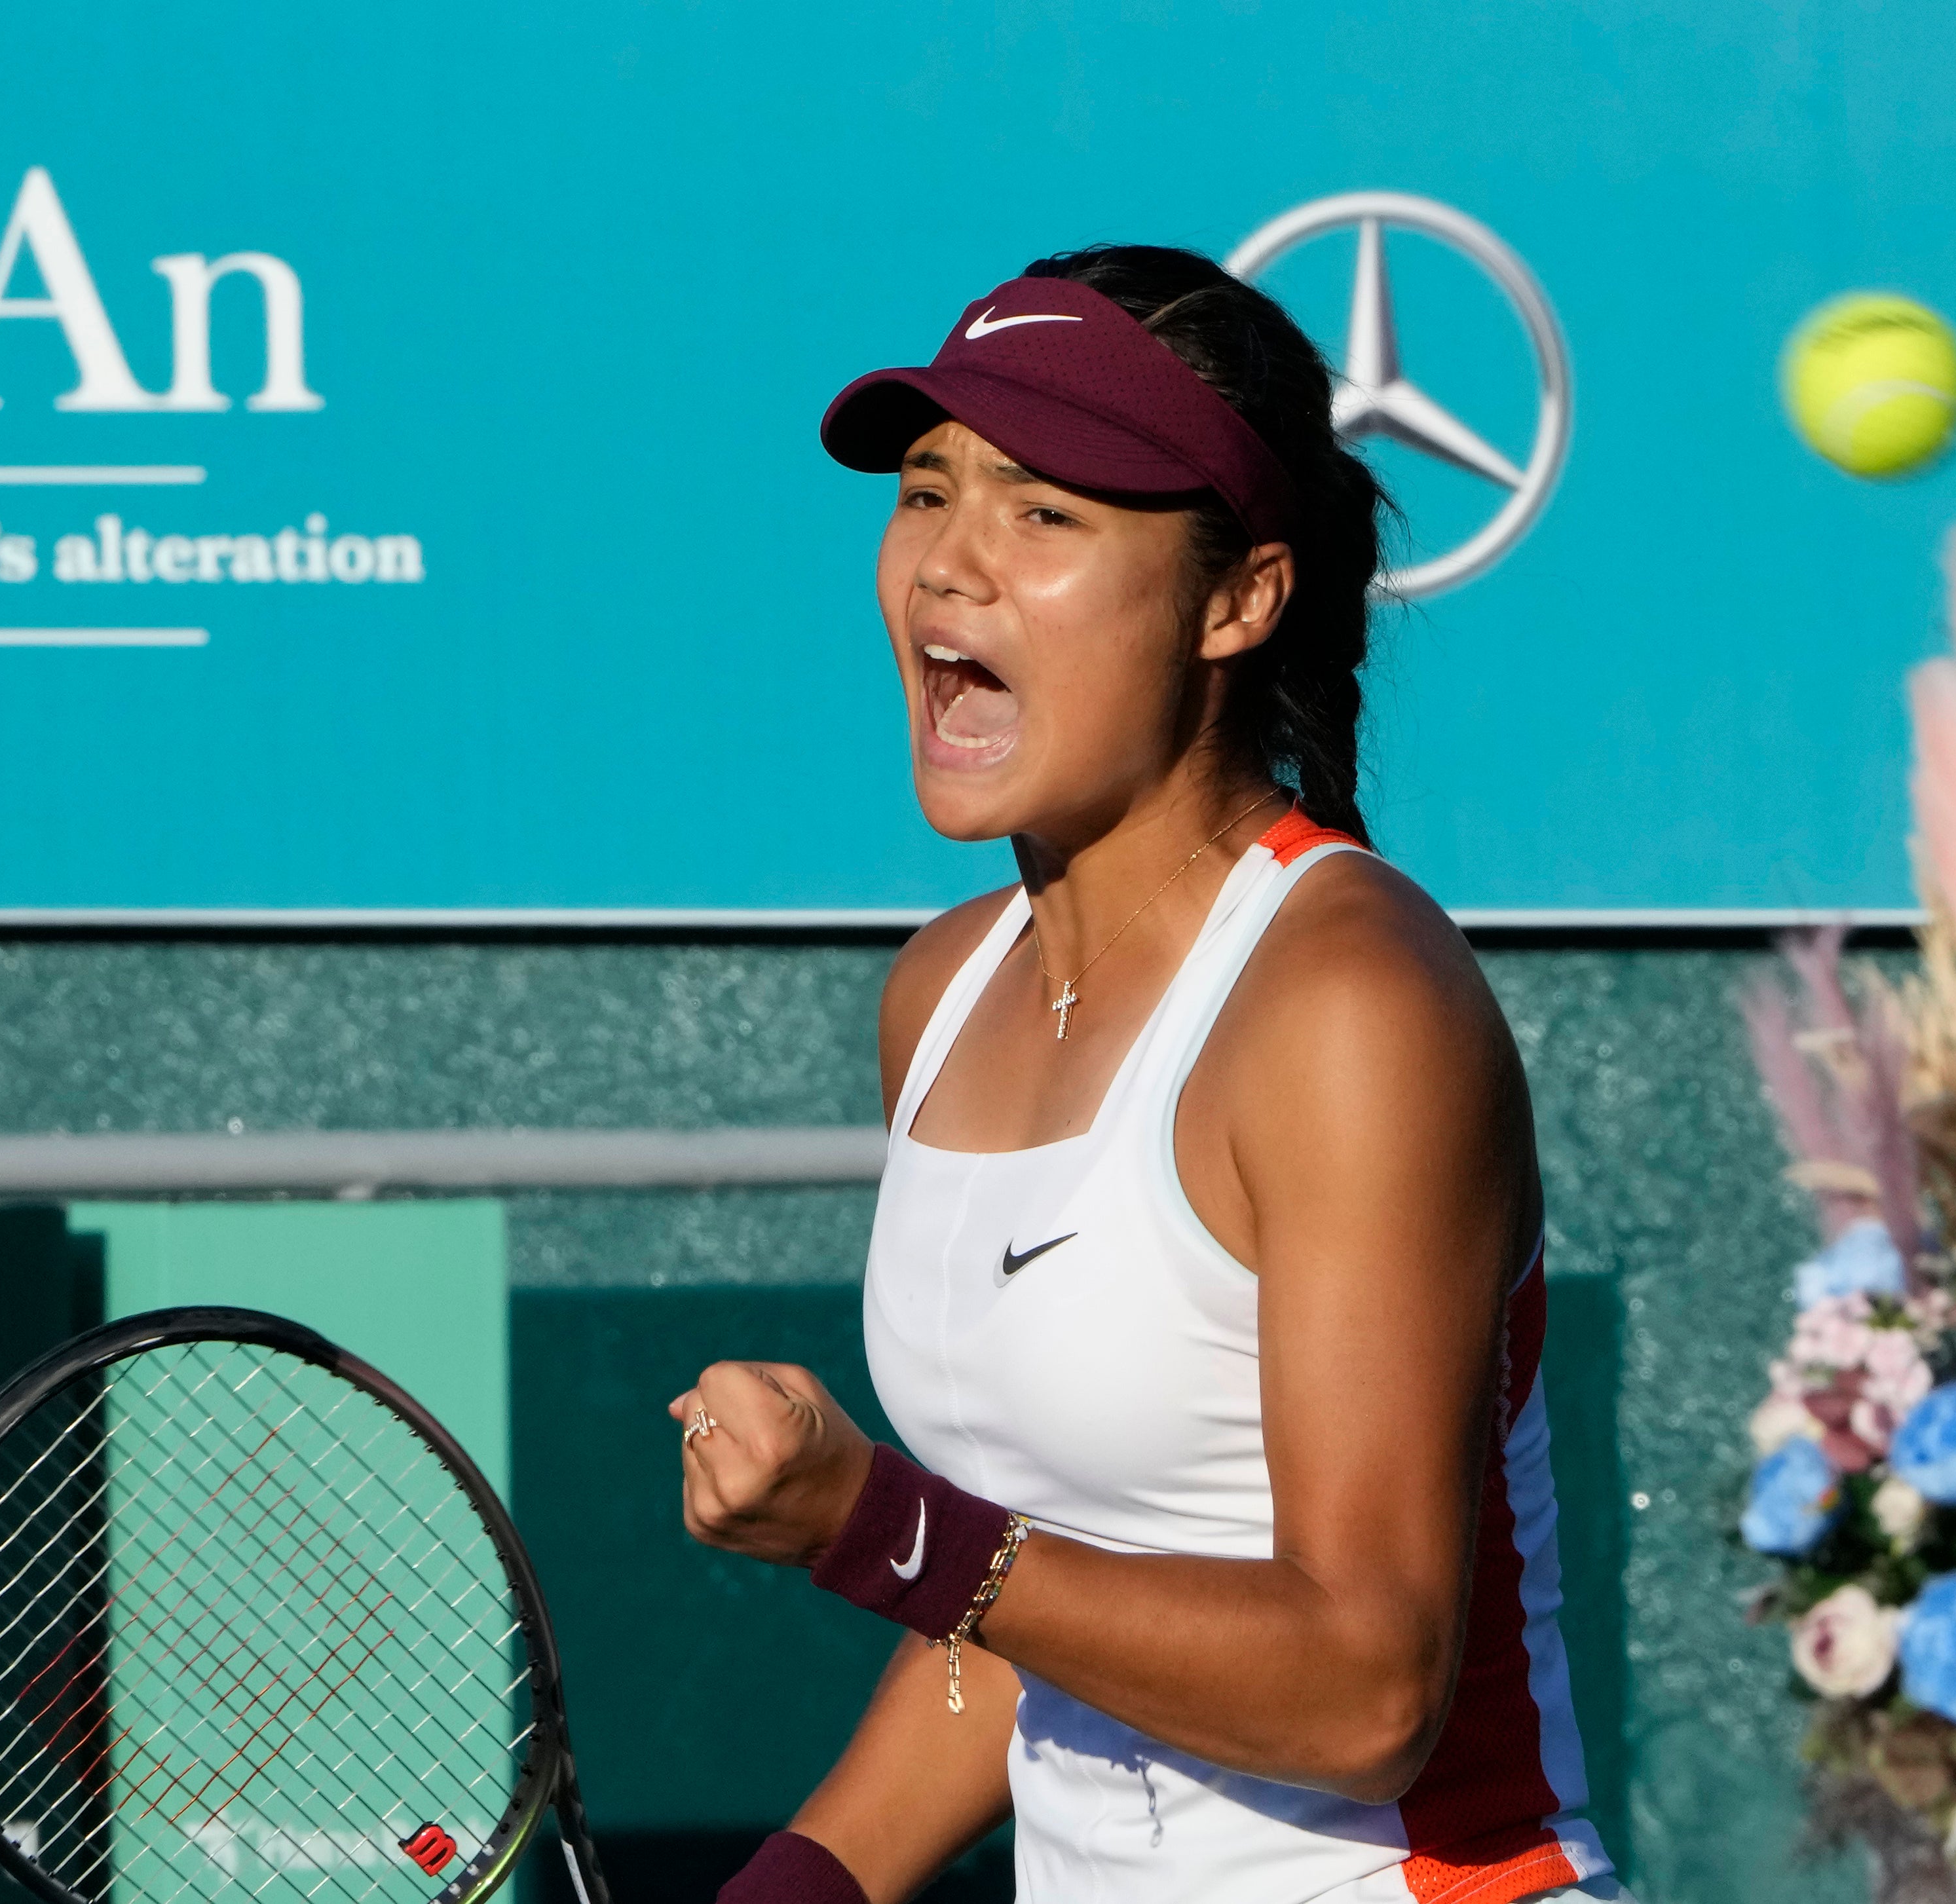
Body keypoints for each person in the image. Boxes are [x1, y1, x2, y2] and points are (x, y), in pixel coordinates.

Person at [666, 246, 1618, 1904]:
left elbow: (1367, 1683)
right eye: (925, 490)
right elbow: (1034, 1605)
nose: (947, 565)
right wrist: (795, 1890)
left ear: (1238, 597)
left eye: (1044, 515)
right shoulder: (939, 993)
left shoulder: (1347, 1001)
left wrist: (876, 1525)